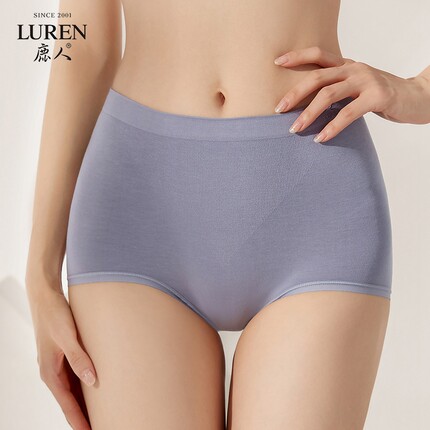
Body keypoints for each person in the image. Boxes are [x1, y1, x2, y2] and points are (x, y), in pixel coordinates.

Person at [25, 0, 430, 429]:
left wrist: (420, 92)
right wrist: (40, 275)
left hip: (313, 201)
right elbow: (82, 42)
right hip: (134, 211)